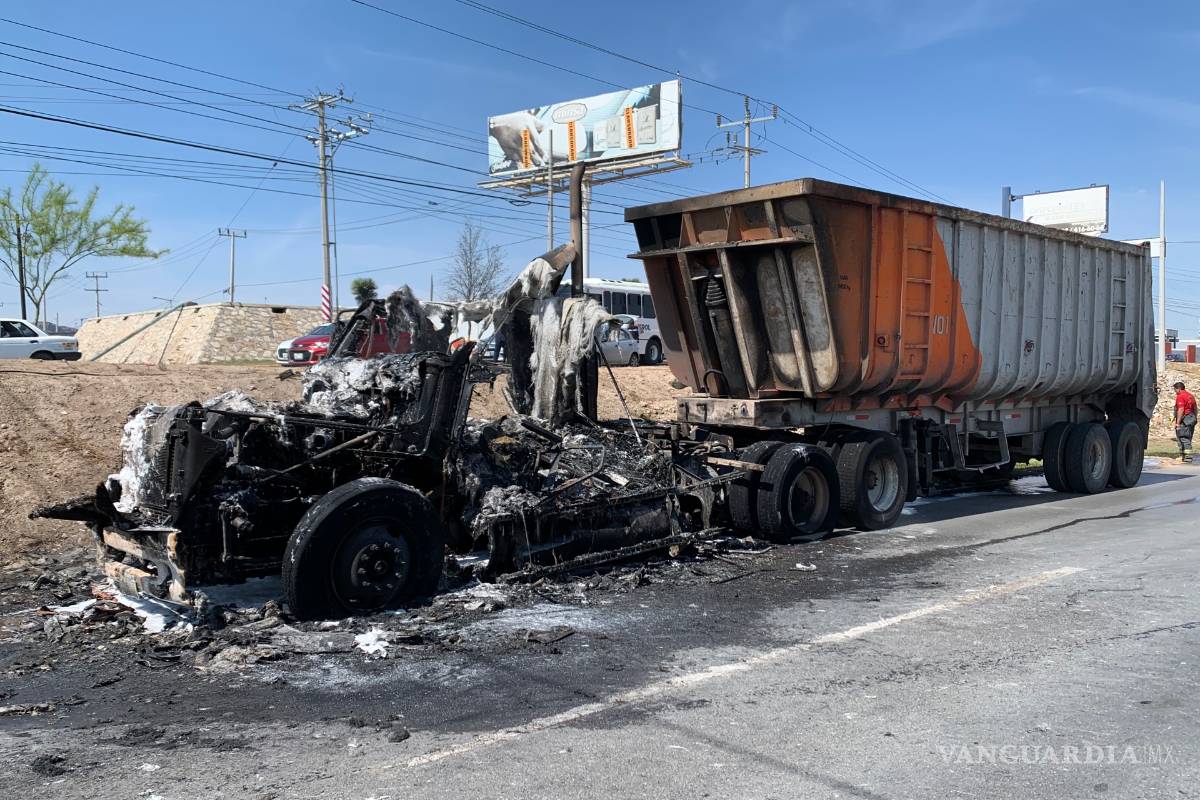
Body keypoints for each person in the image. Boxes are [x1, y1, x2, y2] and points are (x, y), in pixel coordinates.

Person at [1174, 381, 1197, 462]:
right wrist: (1195, 418)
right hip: (1191, 418)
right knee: (1188, 437)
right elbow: (1195, 408)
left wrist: (1177, 423)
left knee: (1183, 437)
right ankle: (1185, 456)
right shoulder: (1190, 395)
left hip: (1184, 419)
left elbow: (1181, 409)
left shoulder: (1180, 396)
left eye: (1175, 389)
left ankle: (1187, 456)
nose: (1175, 391)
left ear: (1178, 389)